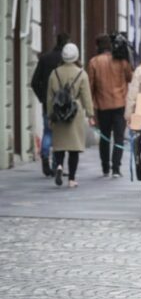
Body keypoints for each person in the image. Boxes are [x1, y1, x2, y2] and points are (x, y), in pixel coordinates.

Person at [47, 43, 95, 188]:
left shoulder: (54, 73)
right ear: (76, 56)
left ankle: (60, 165)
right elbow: (86, 96)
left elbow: (50, 97)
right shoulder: (81, 74)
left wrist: (50, 115)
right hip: (75, 113)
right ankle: (72, 179)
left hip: (59, 112)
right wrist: (90, 114)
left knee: (60, 145)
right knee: (74, 148)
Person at [87, 34, 133, 178]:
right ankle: (116, 168)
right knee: (119, 137)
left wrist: (91, 107)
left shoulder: (94, 62)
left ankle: (105, 167)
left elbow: (90, 85)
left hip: (102, 105)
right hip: (120, 103)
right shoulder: (121, 61)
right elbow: (130, 77)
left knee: (105, 137)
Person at [32, 32, 70, 177]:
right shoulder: (66, 61)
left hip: (47, 103)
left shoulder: (45, 58)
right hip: (64, 105)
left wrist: (43, 98)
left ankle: (45, 161)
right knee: (61, 134)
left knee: (48, 132)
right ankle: (57, 165)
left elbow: (35, 82)